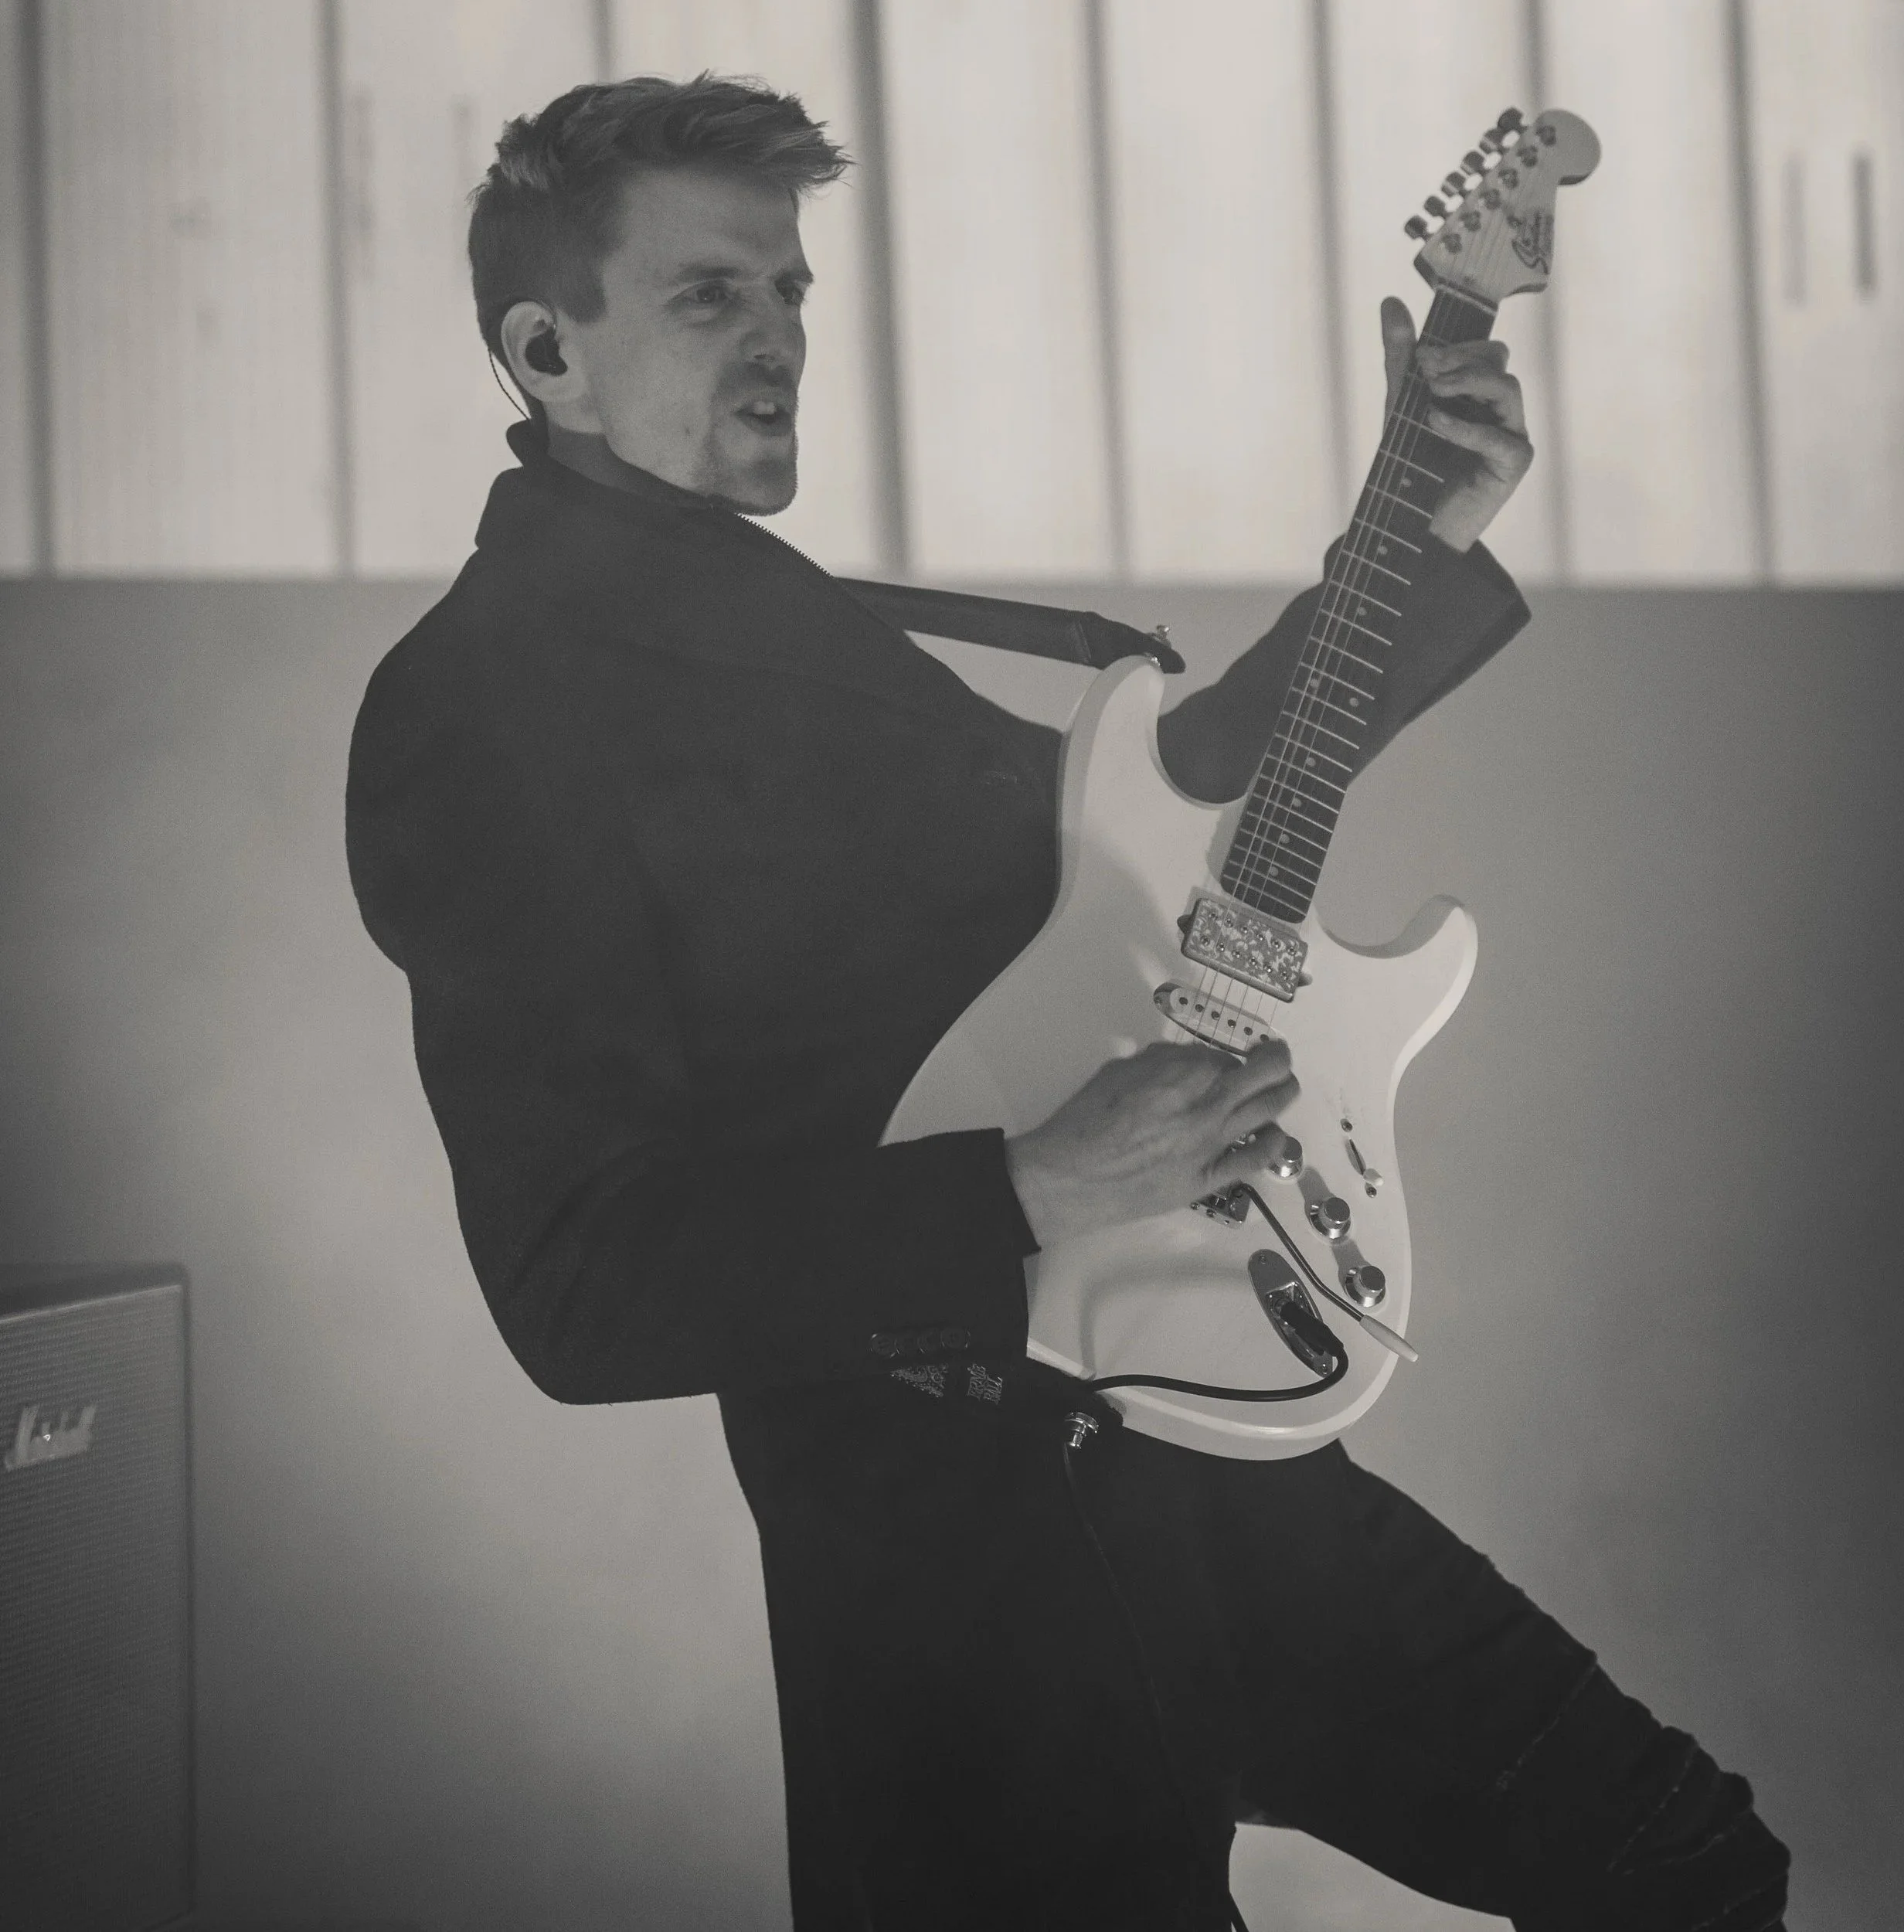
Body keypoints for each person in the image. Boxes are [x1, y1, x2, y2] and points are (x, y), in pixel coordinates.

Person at [345, 73, 1790, 1932]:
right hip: (963, 1575)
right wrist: (1020, 1187)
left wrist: (1402, 544)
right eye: (713, 295)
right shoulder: (480, 704)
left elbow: (1142, 852)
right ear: (548, 349)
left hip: (1211, 1442)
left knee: (1678, 1866)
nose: (782, 334)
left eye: (790, 290)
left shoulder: (792, 616)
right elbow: (577, 1281)